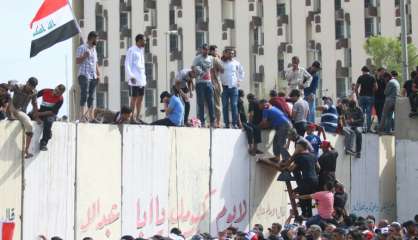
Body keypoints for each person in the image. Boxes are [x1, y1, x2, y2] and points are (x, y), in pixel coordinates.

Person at [9, 78, 39, 158]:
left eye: (32, 87)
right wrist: (11, 84)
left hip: (22, 112)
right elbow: (8, 88)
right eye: (29, 85)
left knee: (30, 126)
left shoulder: (34, 92)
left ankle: (26, 150)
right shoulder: (18, 87)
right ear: (27, 82)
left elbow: (35, 104)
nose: (30, 88)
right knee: (29, 124)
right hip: (12, 109)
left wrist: (37, 117)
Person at [287, 141, 319, 218]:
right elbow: (318, 167)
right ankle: (309, 215)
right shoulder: (313, 155)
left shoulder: (299, 156)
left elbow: (292, 168)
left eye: (297, 147)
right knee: (309, 197)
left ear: (302, 147)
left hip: (306, 179)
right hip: (315, 180)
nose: (296, 148)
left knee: (302, 196)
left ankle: (304, 214)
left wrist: (285, 168)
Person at [32, 85, 65, 151]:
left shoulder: (60, 99)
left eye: (58, 93)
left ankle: (44, 143)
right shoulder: (46, 91)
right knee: (30, 115)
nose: (55, 93)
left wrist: (38, 114)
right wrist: (36, 113)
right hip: (41, 110)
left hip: (50, 114)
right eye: (56, 90)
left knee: (48, 122)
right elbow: (34, 97)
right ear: (55, 88)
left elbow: (52, 112)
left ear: (61, 94)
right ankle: (48, 132)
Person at [76, 31, 100, 122]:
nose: (97, 41)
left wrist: (98, 74)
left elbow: (95, 62)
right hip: (84, 74)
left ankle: (91, 116)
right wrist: (84, 56)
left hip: (93, 75)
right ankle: (81, 115)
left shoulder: (94, 49)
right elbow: (77, 61)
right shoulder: (82, 48)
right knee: (84, 94)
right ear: (92, 38)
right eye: (96, 39)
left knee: (91, 96)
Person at [192, 44, 215, 127]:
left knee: (211, 102)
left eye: (207, 49)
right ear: (201, 49)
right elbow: (192, 67)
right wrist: (198, 71)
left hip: (208, 82)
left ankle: (212, 121)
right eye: (204, 49)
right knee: (201, 102)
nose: (206, 51)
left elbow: (211, 71)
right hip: (200, 82)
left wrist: (212, 83)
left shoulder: (210, 58)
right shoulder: (197, 58)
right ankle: (202, 121)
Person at [125, 34, 147, 122]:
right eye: (144, 40)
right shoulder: (131, 50)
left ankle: (137, 117)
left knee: (140, 99)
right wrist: (131, 76)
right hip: (134, 79)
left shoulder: (141, 50)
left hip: (141, 79)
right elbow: (127, 64)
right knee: (134, 98)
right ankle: (131, 117)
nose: (145, 42)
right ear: (139, 40)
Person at [221, 48, 244, 128]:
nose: (231, 55)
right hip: (224, 87)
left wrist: (239, 80)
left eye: (232, 53)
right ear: (225, 54)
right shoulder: (221, 62)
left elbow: (242, 72)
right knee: (225, 105)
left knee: (234, 105)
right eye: (229, 53)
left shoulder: (236, 63)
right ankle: (226, 123)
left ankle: (234, 123)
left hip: (234, 87)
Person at [355, 66, 377, 132]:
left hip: (361, 96)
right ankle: (368, 128)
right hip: (370, 97)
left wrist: (357, 96)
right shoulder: (372, 77)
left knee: (361, 113)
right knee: (368, 113)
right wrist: (372, 92)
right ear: (368, 71)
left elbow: (356, 88)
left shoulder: (360, 77)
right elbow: (376, 87)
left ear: (363, 71)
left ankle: (362, 128)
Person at [209, 45, 224, 128]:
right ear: (211, 51)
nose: (217, 53)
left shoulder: (205, 58)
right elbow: (222, 69)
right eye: (215, 51)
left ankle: (210, 121)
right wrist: (219, 59)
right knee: (217, 104)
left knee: (208, 104)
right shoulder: (215, 59)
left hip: (207, 84)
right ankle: (218, 122)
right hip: (215, 84)